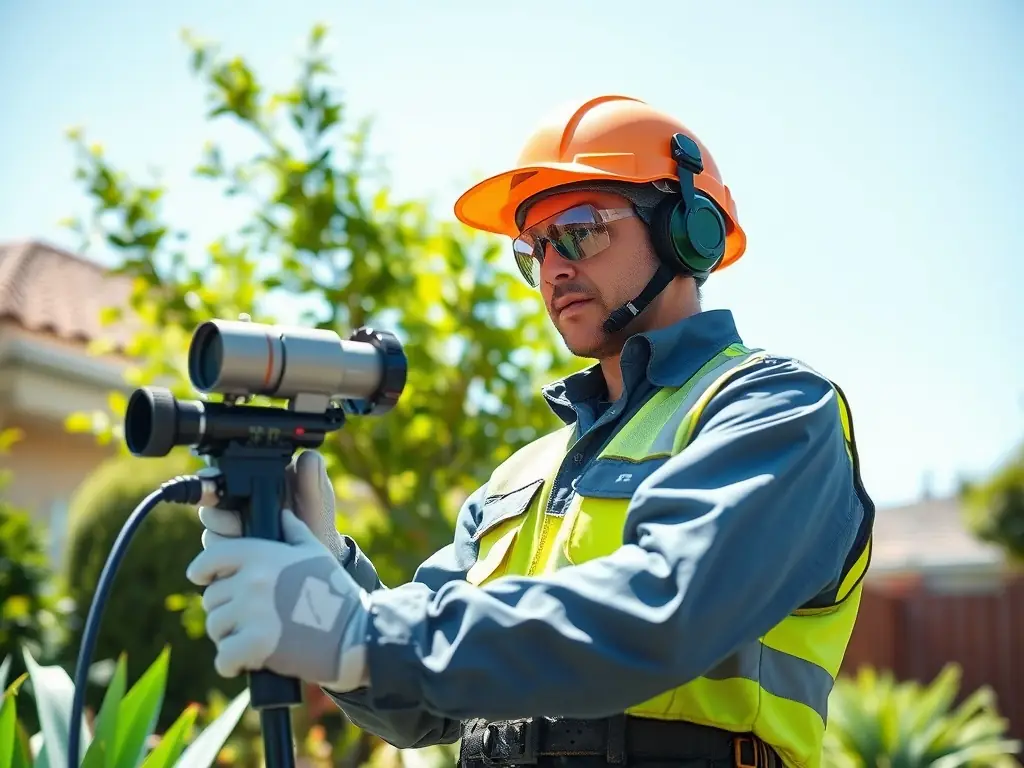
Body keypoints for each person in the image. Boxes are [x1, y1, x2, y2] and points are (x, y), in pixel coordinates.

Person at [185, 95, 874, 768]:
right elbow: (417, 707)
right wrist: (328, 572)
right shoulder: (522, 477)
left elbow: (665, 606)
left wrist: (361, 633)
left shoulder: (775, 410)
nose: (553, 269)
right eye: (534, 249)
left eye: (578, 229)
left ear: (684, 229)